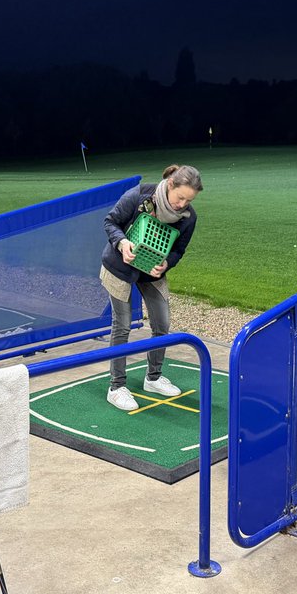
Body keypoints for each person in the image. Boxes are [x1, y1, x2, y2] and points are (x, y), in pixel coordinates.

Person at [100, 164, 203, 411]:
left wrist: (167, 263)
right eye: (180, 197)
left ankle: (153, 378)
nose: (182, 205)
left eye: (188, 201)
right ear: (170, 185)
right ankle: (116, 387)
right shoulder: (138, 196)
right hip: (119, 267)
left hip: (151, 271)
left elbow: (178, 250)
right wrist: (122, 243)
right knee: (122, 325)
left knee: (162, 324)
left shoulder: (189, 218)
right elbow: (110, 222)